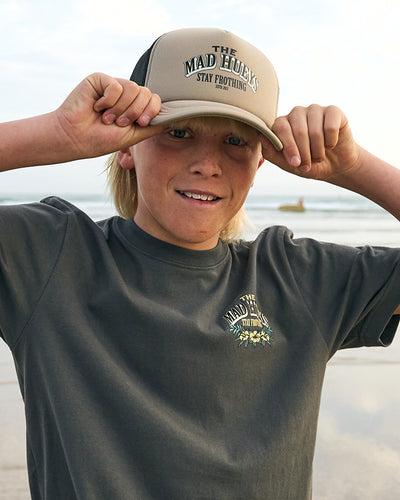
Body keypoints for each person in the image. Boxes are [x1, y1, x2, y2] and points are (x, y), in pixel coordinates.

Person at [1, 27, 400, 500]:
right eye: (178, 132)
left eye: (235, 140)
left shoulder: (296, 278)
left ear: (259, 162)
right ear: (125, 146)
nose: (207, 163)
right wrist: (56, 135)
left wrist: (355, 167)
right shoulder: (49, 257)